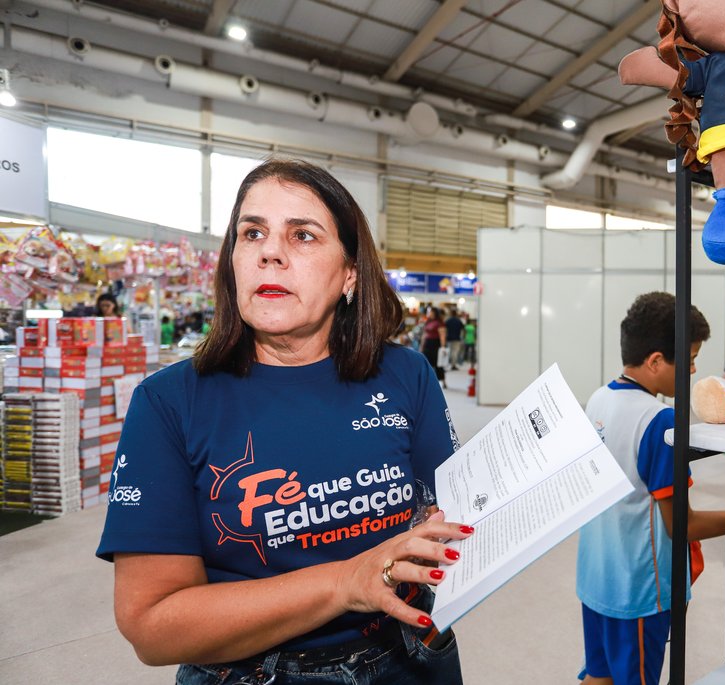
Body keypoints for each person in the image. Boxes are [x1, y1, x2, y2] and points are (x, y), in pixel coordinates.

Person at [96, 159, 473, 685]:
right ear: (233, 261)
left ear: (350, 274)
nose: (270, 251)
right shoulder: (168, 402)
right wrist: (345, 582)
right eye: (252, 233)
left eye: (303, 235)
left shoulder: (406, 373)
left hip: (406, 655)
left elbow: (456, 513)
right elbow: (153, 627)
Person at [576, 293, 725, 685]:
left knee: (599, 676)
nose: (694, 369)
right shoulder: (661, 421)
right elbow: (683, 525)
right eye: (690, 359)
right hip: (638, 595)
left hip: (596, 580)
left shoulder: (598, 398)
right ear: (656, 361)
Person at [420, 306, 446, 389]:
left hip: (435, 344)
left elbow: (442, 335)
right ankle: (428, 382)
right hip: (427, 344)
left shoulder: (439, 323)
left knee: (438, 364)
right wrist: (421, 346)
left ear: (434, 312)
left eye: (429, 311)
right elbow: (424, 335)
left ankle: (442, 381)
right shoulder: (428, 322)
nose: (428, 313)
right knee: (427, 363)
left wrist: (443, 347)